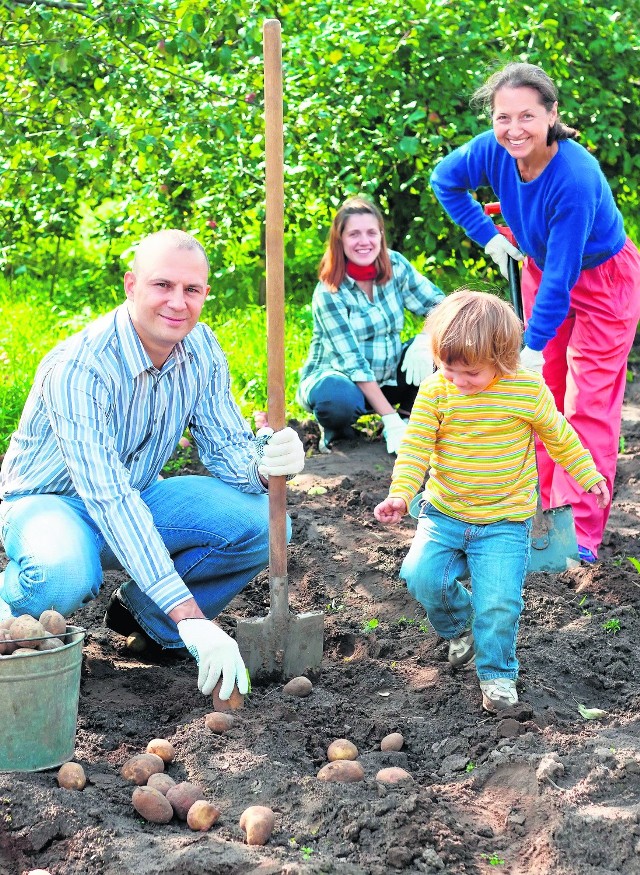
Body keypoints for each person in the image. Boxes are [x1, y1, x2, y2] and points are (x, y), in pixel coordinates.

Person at [0, 230, 305, 700]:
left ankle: (148, 619)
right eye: (162, 285)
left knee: (265, 521)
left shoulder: (200, 348)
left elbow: (224, 446)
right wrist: (192, 614)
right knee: (64, 573)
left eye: (192, 290)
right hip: (52, 505)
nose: (177, 303)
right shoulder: (80, 368)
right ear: (131, 286)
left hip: (140, 491)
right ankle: (8, 607)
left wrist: (264, 464)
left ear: (205, 293)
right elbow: (108, 497)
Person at [429, 61, 640, 564]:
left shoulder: (575, 178)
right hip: (541, 269)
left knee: (587, 403)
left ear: (551, 115)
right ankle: (541, 505)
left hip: (603, 280)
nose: (514, 129)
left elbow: (565, 280)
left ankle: (581, 535)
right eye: (503, 117)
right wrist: (489, 238)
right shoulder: (493, 150)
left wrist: (530, 345)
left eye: (526, 116)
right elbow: (445, 181)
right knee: (536, 395)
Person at [374, 290, 609, 713]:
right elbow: (415, 449)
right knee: (420, 576)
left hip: (505, 520)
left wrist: (587, 474)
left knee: (500, 602)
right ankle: (461, 626)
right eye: (448, 368)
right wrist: (401, 492)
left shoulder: (525, 390)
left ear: (502, 359)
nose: (458, 380)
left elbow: (559, 434)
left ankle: (497, 674)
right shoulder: (436, 392)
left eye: (470, 373)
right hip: (443, 512)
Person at [296, 196, 445, 454]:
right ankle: (340, 434)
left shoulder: (394, 264)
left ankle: (412, 416)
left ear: (381, 235)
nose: (364, 241)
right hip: (342, 380)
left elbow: (441, 305)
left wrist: (425, 339)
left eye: (371, 233)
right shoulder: (329, 291)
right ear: (339, 240)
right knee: (336, 400)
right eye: (354, 234)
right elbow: (352, 362)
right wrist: (389, 418)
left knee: (440, 350)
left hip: (388, 375)